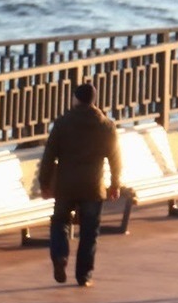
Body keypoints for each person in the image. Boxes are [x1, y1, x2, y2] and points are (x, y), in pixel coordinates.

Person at [38, 82, 121, 287]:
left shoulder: (62, 123)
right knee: (89, 231)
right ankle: (84, 276)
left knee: (60, 222)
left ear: (75, 99)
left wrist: (44, 182)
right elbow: (115, 158)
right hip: (93, 186)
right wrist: (115, 184)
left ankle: (60, 256)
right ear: (94, 100)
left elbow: (49, 156)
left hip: (66, 185)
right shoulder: (106, 125)